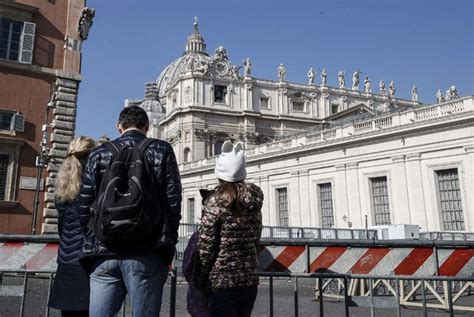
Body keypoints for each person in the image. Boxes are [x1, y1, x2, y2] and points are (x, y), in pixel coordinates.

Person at [78, 106, 182, 317]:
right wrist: (167, 242)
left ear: (119, 127)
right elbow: (173, 202)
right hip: (147, 250)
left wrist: (93, 235)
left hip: (103, 250)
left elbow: (84, 204)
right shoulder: (162, 150)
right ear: (147, 126)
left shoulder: (99, 153)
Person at [197, 141, 263, 317]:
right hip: (249, 280)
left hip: (222, 280)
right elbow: (256, 238)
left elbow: (206, 244)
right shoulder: (255, 201)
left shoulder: (215, 201)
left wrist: (200, 274)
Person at [48, 136, 96, 317]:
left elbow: (62, 227)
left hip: (66, 261)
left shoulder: (62, 187)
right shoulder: (94, 186)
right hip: (87, 262)